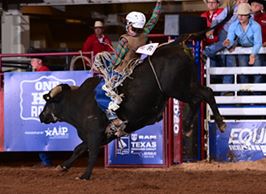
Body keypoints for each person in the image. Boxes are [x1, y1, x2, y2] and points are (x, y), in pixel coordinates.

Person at [94, 0, 162, 136]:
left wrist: (103, 65)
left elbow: (116, 61)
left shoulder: (125, 40)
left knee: (99, 92)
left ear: (130, 25)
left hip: (121, 72)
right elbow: (154, 19)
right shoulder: (144, 33)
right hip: (136, 67)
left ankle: (114, 119)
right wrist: (159, 3)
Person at [223, 3, 263, 85]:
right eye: (239, 15)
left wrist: (253, 54)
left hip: (255, 49)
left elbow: (258, 42)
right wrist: (228, 41)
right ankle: (244, 92)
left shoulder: (256, 26)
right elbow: (230, 37)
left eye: (243, 15)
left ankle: (257, 93)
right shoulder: (233, 25)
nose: (240, 17)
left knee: (257, 72)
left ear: (248, 15)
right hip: (242, 49)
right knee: (243, 73)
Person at [31, 58, 53, 167]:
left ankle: (46, 160)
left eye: (33, 61)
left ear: (39, 62)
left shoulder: (42, 71)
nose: (32, 63)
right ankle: (45, 160)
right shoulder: (40, 72)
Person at [201, 0, 224, 84]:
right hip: (208, 44)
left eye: (213, 2)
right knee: (211, 71)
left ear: (218, 3)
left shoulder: (221, 12)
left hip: (220, 45)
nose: (210, 4)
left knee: (222, 69)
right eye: (209, 2)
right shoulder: (203, 15)